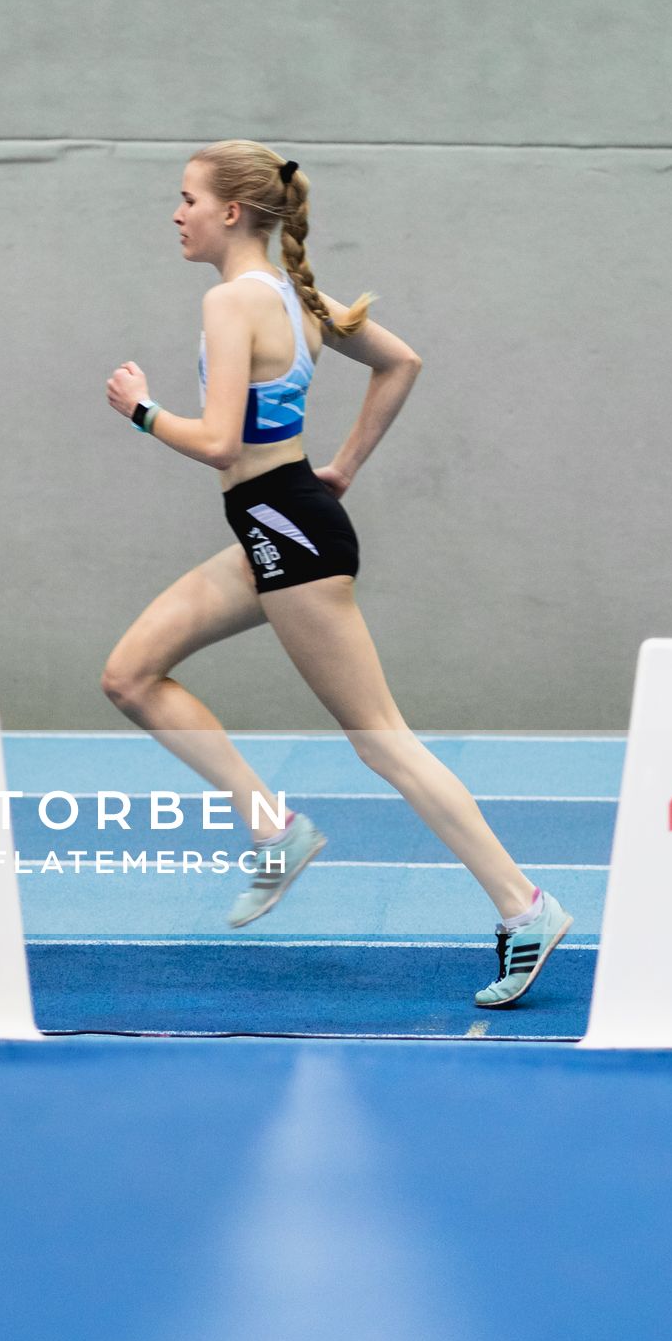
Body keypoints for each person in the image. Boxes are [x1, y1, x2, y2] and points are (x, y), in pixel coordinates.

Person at [102, 139, 570, 1009]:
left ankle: (526, 905)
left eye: (187, 199)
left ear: (231, 212)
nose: (176, 214)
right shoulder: (294, 298)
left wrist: (142, 410)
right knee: (129, 674)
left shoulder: (234, 302)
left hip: (288, 531)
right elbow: (402, 363)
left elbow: (217, 443)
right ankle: (273, 831)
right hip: (279, 523)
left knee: (381, 739)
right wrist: (344, 467)